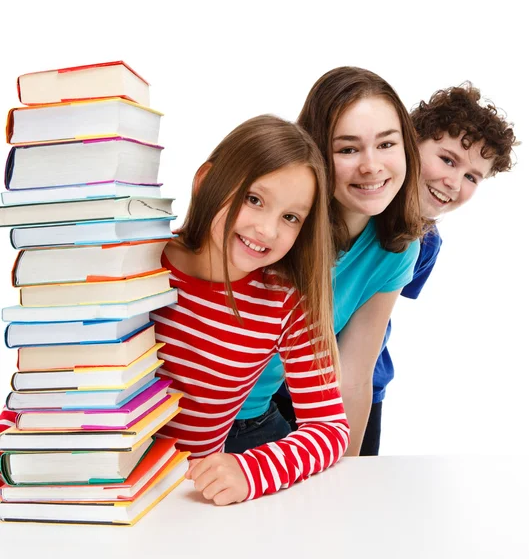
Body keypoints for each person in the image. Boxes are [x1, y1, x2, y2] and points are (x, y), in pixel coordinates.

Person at [149, 114, 349, 505]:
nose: (268, 230)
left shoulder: (285, 299)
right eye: (254, 199)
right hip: (100, 484)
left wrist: (250, 470)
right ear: (207, 181)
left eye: (290, 217)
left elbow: (328, 427)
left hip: (187, 502)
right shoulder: (141, 260)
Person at [226, 67, 426, 456]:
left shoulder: (398, 249)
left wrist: (344, 478)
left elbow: (352, 375)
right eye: (348, 149)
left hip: (256, 416)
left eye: (386, 144)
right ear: (316, 152)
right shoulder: (279, 227)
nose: (371, 166)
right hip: (190, 414)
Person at [358, 82, 517, 455]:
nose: (453, 182)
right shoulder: (357, 203)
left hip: (366, 383)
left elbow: (377, 316)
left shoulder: (427, 244)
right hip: (286, 381)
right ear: (410, 144)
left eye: (472, 177)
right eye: (447, 160)